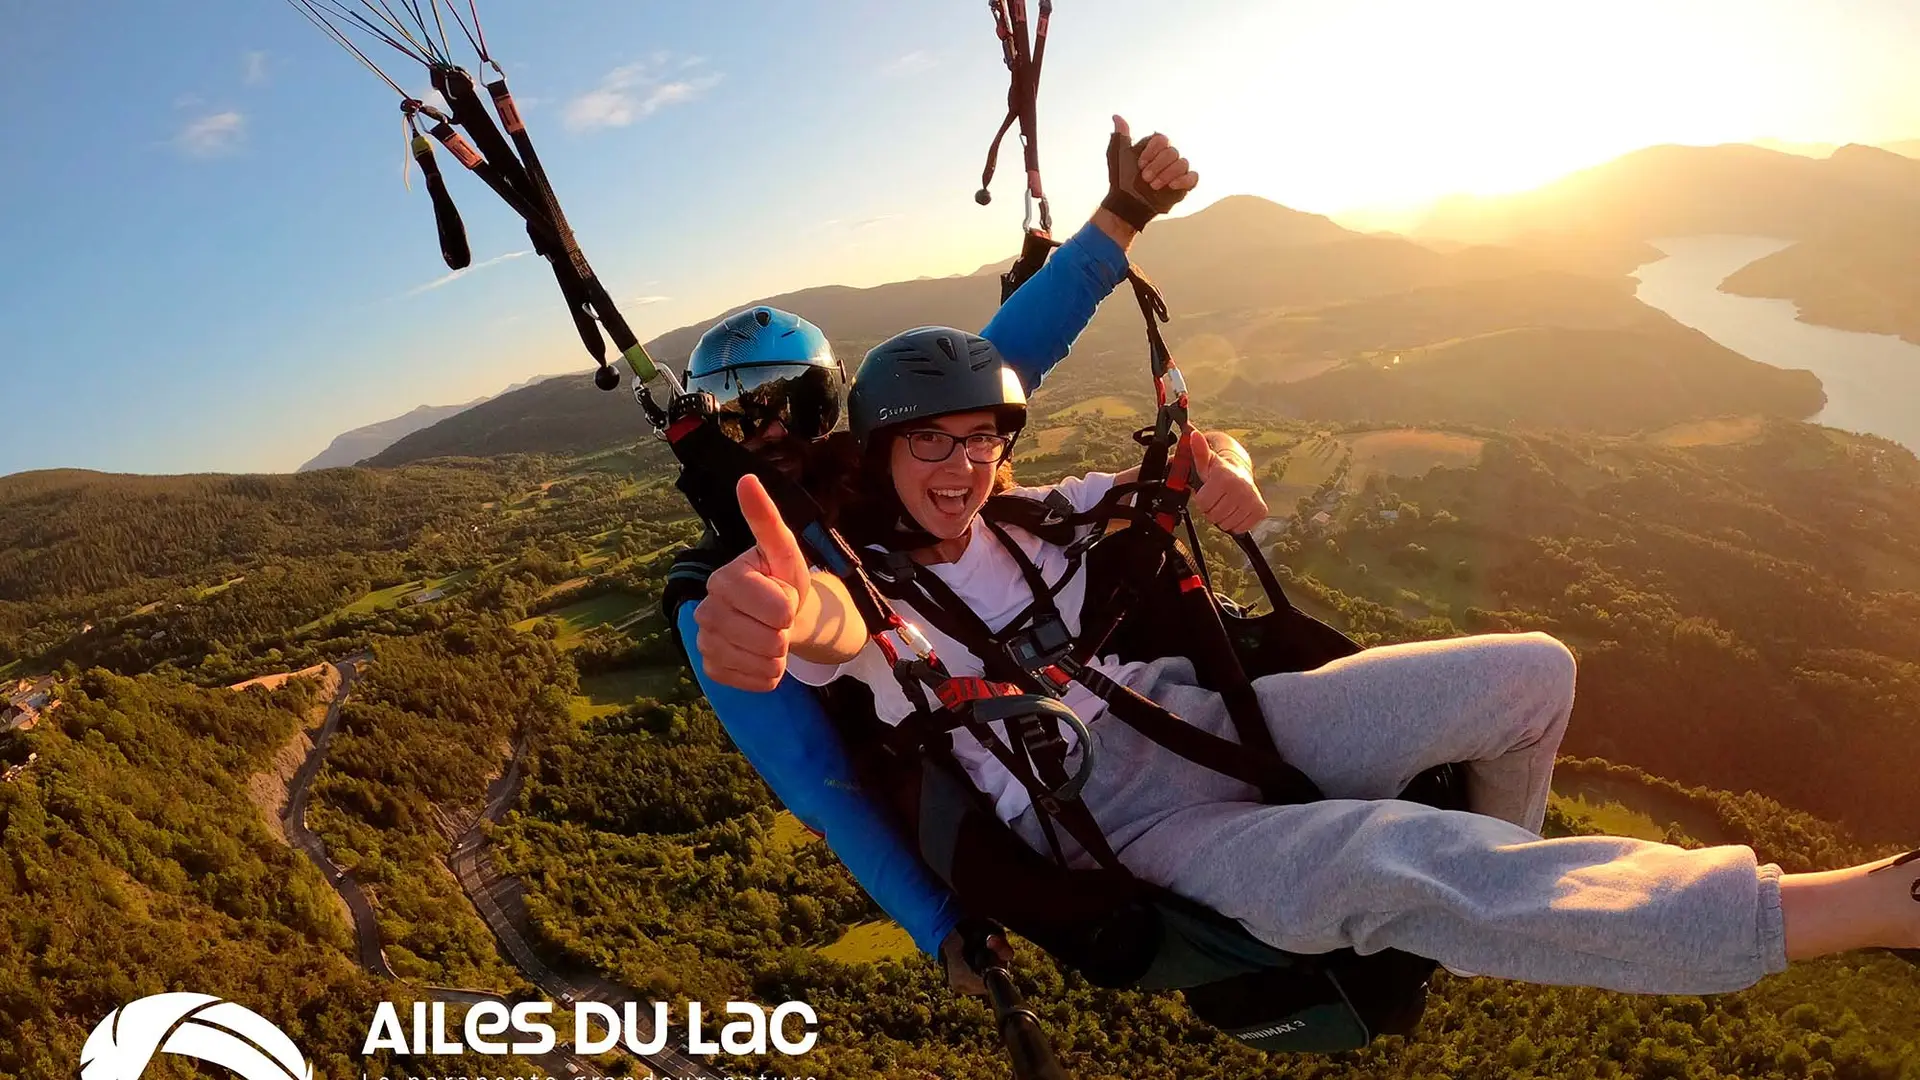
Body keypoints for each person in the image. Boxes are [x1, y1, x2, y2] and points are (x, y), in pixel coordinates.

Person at [694, 327, 1920, 994]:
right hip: (1130, 831)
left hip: (1224, 724)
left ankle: (1512, 892)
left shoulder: (1031, 517)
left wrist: (1225, 463)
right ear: (884, 452)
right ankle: (1864, 908)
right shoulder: (863, 590)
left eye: (982, 440)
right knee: (1399, 858)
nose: (962, 469)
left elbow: (1174, 463)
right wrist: (777, 617)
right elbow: (829, 639)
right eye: (932, 446)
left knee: (1532, 672)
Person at [664, 116, 1198, 989]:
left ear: (828, 402)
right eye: (739, 415)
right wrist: (940, 922)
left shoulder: (873, 466)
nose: (768, 432)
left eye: (791, 403)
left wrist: (1121, 218)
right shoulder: (726, 585)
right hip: (981, 788)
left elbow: (1009, 355)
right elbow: (816, 779)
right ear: (709, 431)